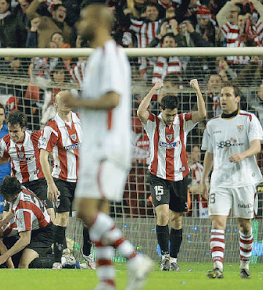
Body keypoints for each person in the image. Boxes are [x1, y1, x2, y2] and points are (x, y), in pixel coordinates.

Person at [61, 5, 153, 290]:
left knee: (85, 211)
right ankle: (107, 282)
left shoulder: (110, 55)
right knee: (96, 218)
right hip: (100, 144)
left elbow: (112, 99)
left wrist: (77, 101)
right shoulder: (98, 57)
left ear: (100, 21)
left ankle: (135, 258)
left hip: (108, 144)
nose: (79, 24)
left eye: (84, 19)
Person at [136, 79, 206, 271]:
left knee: (177, 220)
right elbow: (140, 112)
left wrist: (198, 90)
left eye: (173, 115)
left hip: (180, 178)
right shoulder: (153, 123)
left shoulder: (182, 121)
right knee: (163, 214)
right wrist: (153, 89)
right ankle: (165, 257)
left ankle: (174, 259)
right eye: (168, 115)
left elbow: (203, 113)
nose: (171, 118)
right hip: (158, 176)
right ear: (161, 111)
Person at [201, 83, 263, 279]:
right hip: (219, 181)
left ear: (237, 98)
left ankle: (244, 265)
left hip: (244, 181)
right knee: (218, 222)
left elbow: (257, 147)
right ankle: (218, 267)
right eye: (221, 95)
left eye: (228, 95)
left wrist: (242, 154)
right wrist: (204, 179)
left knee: (245, 226)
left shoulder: (248, 119)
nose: (223, 98)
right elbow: (210, 154)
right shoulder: (212, 124)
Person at [39, 91, 95, 270]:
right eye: (61, 101)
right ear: (55, 104)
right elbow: (43, 157)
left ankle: (88, 254)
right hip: (61, 179)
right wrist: (50, 183)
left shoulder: (81, 121)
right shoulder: (52, 127)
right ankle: (58, 259)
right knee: (62, 218)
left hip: (83, 180)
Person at [0, 111, 55, 222]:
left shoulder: (37, 137)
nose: (12, 135)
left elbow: (51, 153)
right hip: (18, 185)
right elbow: (4, 159)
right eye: (10, 131)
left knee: (50, 216)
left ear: (23, 128)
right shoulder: (5, 141)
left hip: (38, 182)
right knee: (6, 217)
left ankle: (55, 239)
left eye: (15, 131)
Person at [0, 176, 54, 269]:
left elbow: (25, 239)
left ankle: (58, 261)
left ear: (14, 194)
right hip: (36, 227)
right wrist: (3, 221)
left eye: (5, 196)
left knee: (23, 264)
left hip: (44, 234)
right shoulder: (20, 189)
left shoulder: (24, 210)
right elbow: (14, 208)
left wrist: (4, 256)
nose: (3, 198)